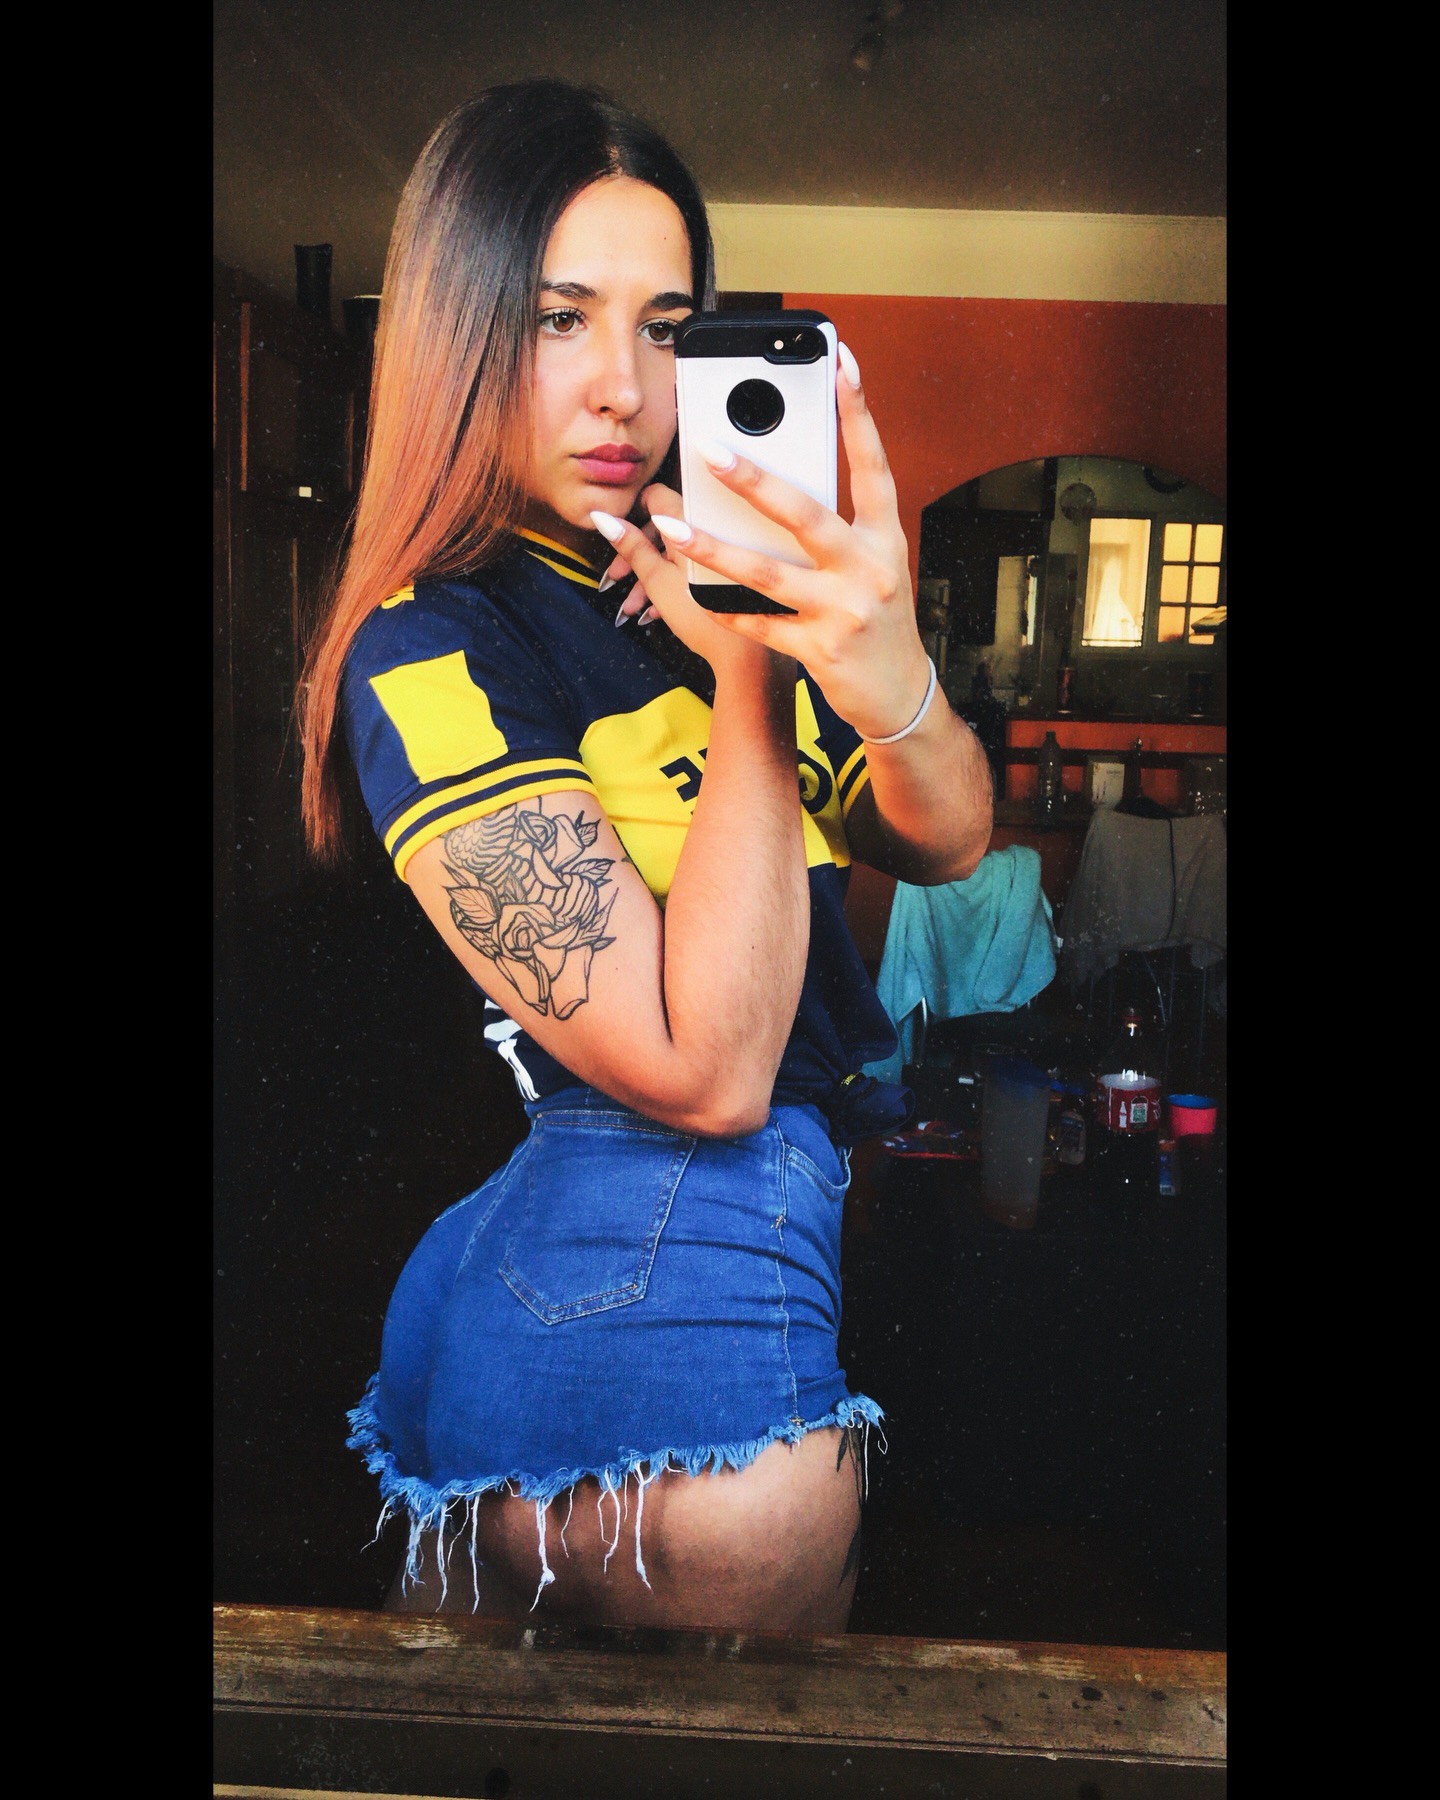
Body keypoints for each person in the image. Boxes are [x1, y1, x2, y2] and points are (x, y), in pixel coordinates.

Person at [298, 79, 993, 1632]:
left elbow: (950, 835)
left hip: (693, 1239)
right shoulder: (432, 642)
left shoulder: (692, 588)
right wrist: (749, 666)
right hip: (624, 1232)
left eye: (666, 326)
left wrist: (880, 663)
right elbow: (709, 1070)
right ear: (460, 329)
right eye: (559, 318)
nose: (623, 387)